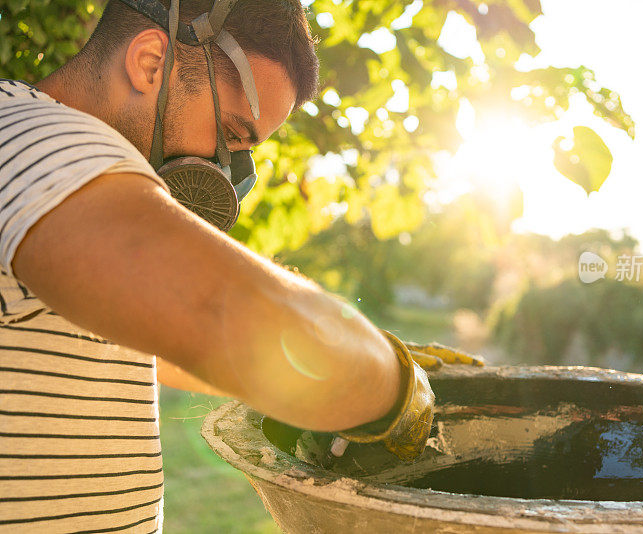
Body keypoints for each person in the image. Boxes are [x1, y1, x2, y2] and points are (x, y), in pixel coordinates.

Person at [0, 0, 481, 531]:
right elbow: (213, 309)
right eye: (232, 133)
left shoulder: (58, 205)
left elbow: (149, 340)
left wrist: (315, 371)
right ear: (150, 63)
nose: (228, 171)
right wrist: (389, 381)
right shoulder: (32, 136)